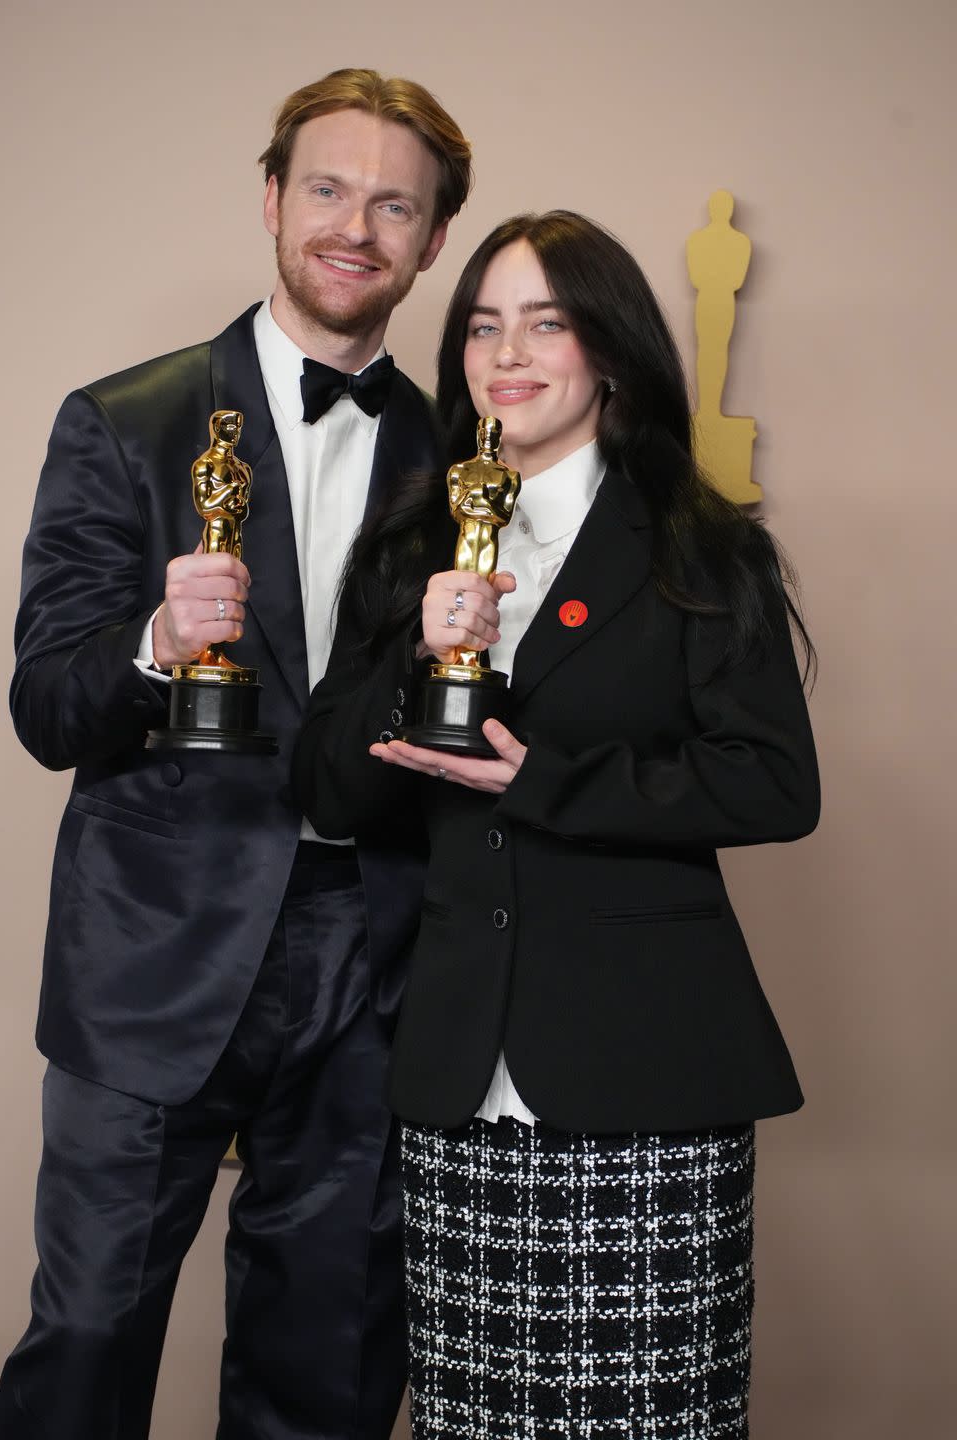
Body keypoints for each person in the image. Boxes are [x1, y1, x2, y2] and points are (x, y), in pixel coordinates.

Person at [292, 211, 820, 1439]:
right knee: (477, 1420)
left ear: (612, 355)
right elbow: (327, 787)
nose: (506, 353)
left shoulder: (701, 546)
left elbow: (773, 786)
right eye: (483, 324)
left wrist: (544, 780)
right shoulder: (411, 549)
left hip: (649, 1071)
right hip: (462, 1078)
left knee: (658, 1419)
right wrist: (413, 652)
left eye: (545, 321)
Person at [0, 68, 471, 1440]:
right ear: (272, 200)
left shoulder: (462, 460)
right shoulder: (123, 419)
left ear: (433, 240)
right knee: (85, 1352)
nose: (355, 227)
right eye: (327, 188)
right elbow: (43, 708)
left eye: (396, 204)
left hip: (372, 972)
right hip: (149, 966)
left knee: (325, 1369)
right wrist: (152, 642)